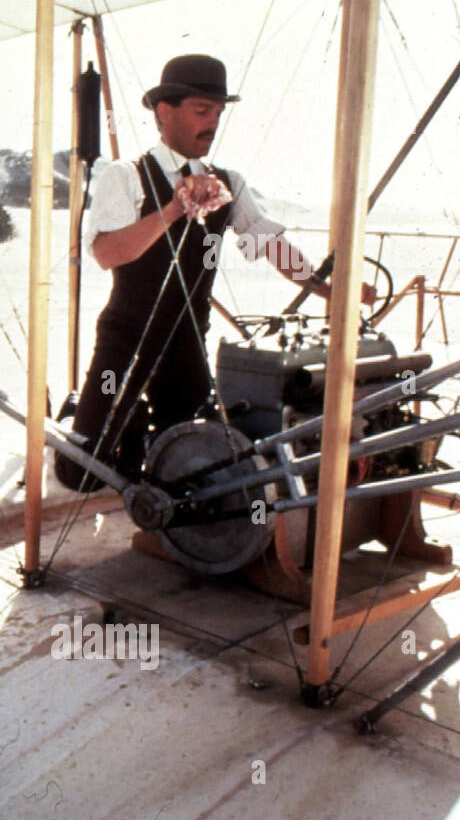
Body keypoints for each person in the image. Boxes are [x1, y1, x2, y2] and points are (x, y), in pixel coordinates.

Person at [55, 53, 375, 492]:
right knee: (82, 474)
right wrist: (173, 209)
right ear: (163, 112)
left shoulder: (228, 182)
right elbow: (108, 253)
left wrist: (329, 292)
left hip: (185, 339)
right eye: (202, 111)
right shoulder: (125, 175)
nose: (212, 123)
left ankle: (145, 441)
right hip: (127, 338)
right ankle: (104, 419)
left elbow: (270, 243)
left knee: (194, 459)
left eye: (218, 113)